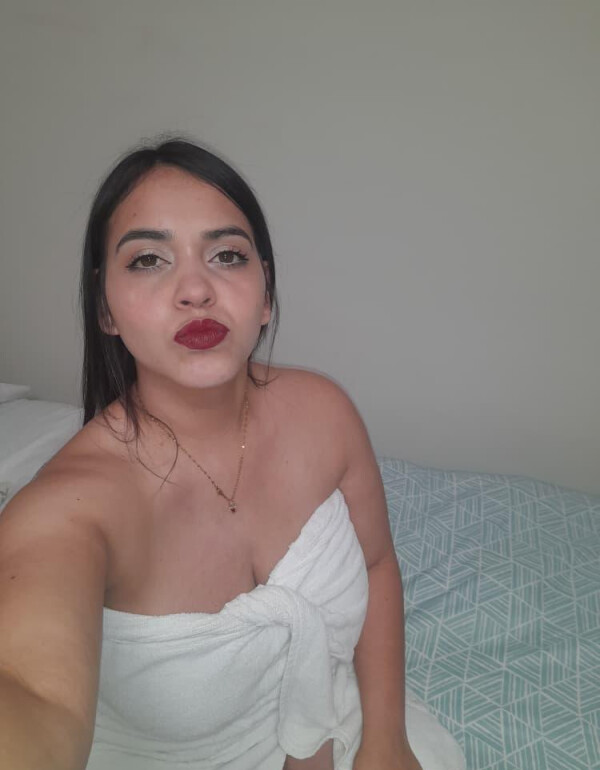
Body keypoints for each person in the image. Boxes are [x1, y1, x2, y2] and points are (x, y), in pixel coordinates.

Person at [0, 139, 424, 770]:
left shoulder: (326, 412)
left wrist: (387, 741)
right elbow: (32, 692)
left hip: (353, 731)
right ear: (104, 308)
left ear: (266, 293)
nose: (196, 289)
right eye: (148, 260)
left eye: (227, 255)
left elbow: (377, 562)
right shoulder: (67, 510)